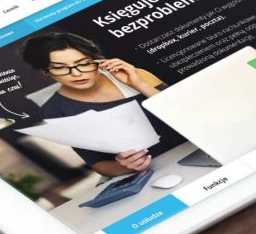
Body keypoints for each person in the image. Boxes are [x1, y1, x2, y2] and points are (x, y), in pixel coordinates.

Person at [22, 32, 184, 177]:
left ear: (97, 60)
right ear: (45, 71)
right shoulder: (54, 110)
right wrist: (124, 166)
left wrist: (140, 85)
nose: (76, 73)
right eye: (60, 68)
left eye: (84, 63)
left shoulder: (137, 75)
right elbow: (98, 164)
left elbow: (187, 113)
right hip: (151, 172)